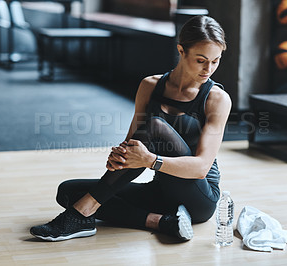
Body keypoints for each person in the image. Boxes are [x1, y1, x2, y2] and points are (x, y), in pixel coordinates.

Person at [30, 15, 232, 242]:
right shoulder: (150, 86)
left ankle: (80, 214)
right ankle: (163, 222)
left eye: (215, 61)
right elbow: (134, 143)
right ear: (181, 51)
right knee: (68, 191)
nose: (209, 69)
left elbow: (201, 168)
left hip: (199, 197)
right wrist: (119, 157)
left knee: (155, 125)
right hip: (161, 191)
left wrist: (150, 160)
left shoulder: (217, 99)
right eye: (201, 60)